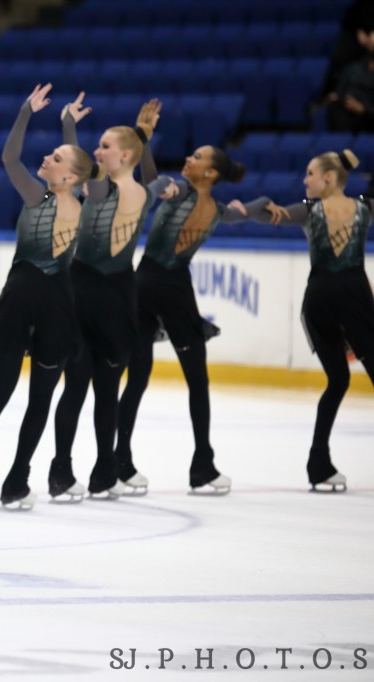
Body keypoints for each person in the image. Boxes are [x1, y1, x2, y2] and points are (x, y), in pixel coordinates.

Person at [0, 85, 95, 513]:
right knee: (9, 394)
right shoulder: (46, 196)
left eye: (55, 158)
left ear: (69, 177)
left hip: (40, 302)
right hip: (36, 301)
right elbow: (12, 159)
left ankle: (9, 479)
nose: (46, 158)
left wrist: (56, 123)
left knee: (27, 397)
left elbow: (70, 166)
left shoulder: (64, 200)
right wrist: (41, 117)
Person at [115, 147, 272, 496]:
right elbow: (246, 212)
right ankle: (202, 466)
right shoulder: (217, 210)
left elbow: (154, 183)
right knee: (197, 382)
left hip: (143, 284)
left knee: (137, 378)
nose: (188, 158)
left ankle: (119, 462)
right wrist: (267, 203)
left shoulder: (183, 191)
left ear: (211, 174)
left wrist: (144, 143)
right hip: (173, 290)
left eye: (198, 157)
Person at [49, 97, 173, 502]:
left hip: (114, 296)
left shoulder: (128, 189)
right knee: (80, 387)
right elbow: (78, 163)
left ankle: (100, 472)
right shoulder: (109, 188)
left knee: (104, 389)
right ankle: (65, 471)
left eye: (104, 146)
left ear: (124, 155)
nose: (97, 151)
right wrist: (71, 127)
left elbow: (149, 176)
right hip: (89, 294)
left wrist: (143, 136)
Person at [260, 150, 374, 493]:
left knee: (338, 381)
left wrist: (248, 209)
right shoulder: (365, 208)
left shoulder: (308, 211)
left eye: (310, 173)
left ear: (328, 177)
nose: (304, 180)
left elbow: (269, 214)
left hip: (320, 301)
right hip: (353, 298)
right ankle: (318, 462)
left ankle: (318, 463)